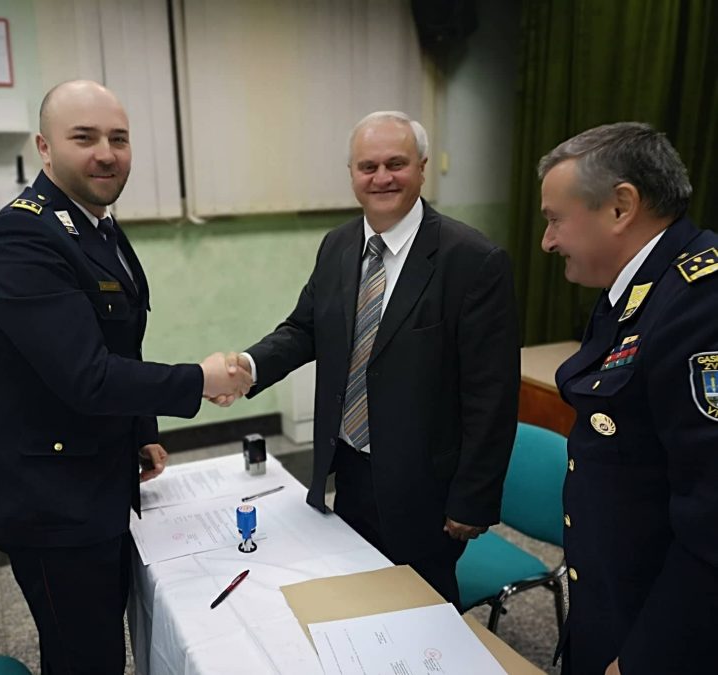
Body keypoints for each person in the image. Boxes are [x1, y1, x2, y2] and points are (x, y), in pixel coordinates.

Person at [0, 80, 250, 674]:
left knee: (102, 641)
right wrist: (199, 379)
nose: (106, 154)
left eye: (118, 139)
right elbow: (86, 376)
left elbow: (119, 340)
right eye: (85, 138)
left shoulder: (93, 224)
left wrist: (140, 429)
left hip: (95, 473)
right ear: (45, 148)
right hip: (50, 498)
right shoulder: (22, 236)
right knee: (85, 658)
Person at [230, 111, 520, 605]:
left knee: (423, 610)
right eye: (368, 166)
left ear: (422, 168)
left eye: (396, 164)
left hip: (425, 485)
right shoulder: (338, 245)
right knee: (361, 599)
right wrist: (248, 366)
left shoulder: (473, 261)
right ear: (351, 174)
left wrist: (473, 499)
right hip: (349, 465)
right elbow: (305, 328)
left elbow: (491, 394)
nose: (381, 177)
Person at [539, 122, 718, 675]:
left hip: (666, 637)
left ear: (620, 207)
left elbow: (711, 524)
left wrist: (643, 660)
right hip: (615, 599)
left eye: (555, 220)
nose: (547, 242)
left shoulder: (700, 305)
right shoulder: (638, 288)